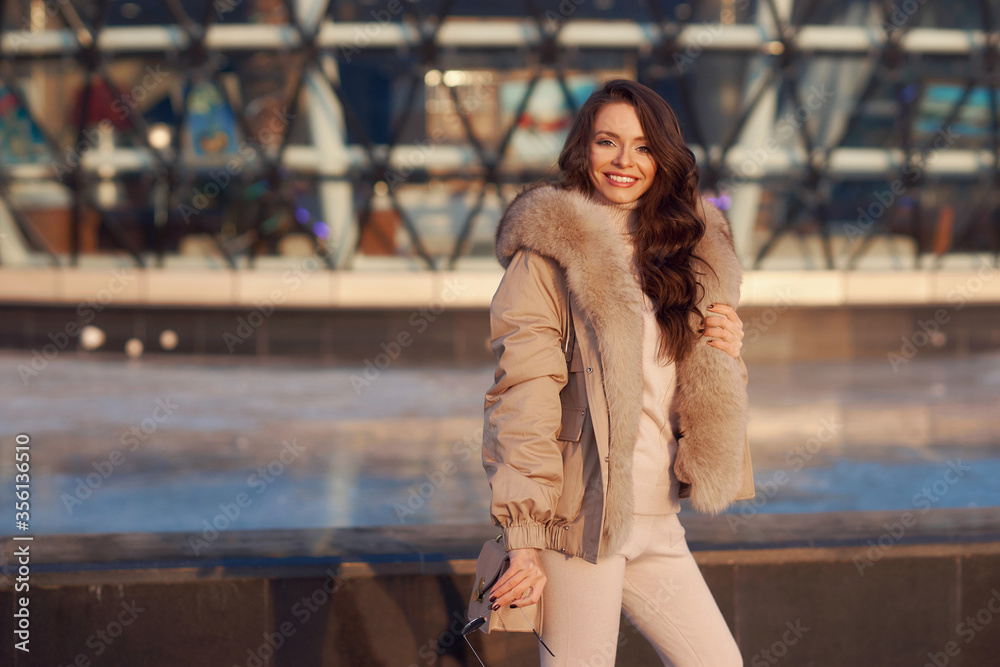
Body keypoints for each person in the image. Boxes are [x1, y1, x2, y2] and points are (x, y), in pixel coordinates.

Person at [480, 79, 754, 666]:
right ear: (583, 149)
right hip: (581, 523)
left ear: (664, 157)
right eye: (608, 142)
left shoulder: (686, 256)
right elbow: (521, 399)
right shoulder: (547, 259)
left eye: (644, 147)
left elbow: (685, 391)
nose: (625, 161)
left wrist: (727, 354)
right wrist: (523, 540)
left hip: (660, 517)